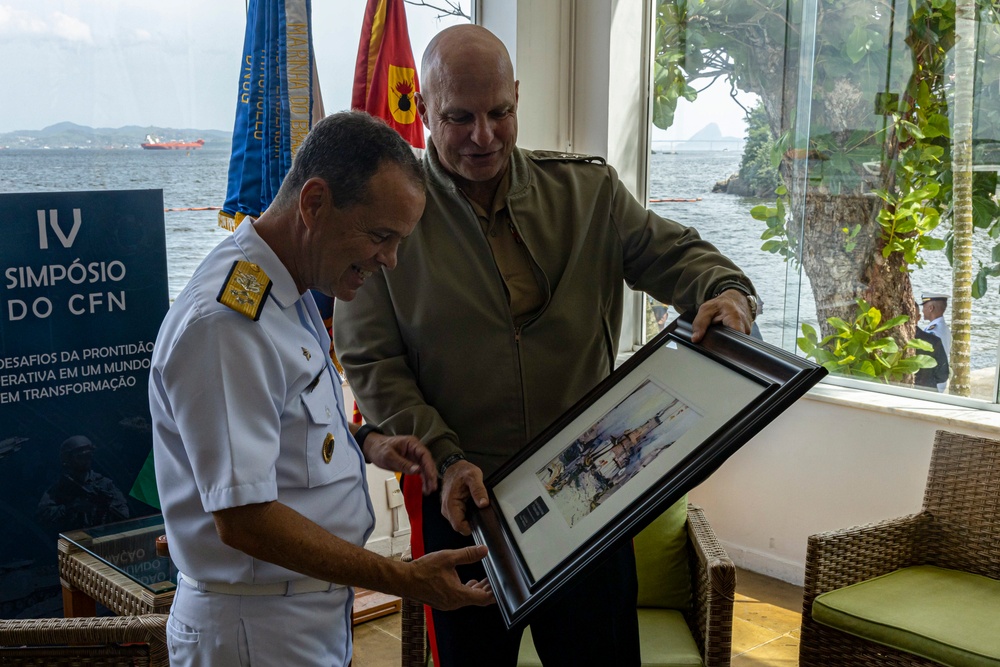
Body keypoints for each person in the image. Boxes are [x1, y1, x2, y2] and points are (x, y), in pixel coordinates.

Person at [333, 25, 758, 667]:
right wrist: (443, 456)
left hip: (590, 498)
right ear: (422, 113)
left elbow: (677, 257)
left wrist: (727, 293)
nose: (485, 136)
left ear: (518, 98)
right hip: (464, 504)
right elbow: (371, 361)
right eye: (459, 117)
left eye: (500, 112)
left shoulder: (588, 195)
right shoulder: (388, 216)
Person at [149, 111, 493, 667]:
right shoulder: (229, 322)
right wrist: (403, 578)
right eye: (381, 236)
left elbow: (282, 425)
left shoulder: (287, 287)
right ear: (314, 204)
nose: (390, 260)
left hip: (300, 615)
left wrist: (366, 442)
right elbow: (243, 520)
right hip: (255, 632)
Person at [37, 435, 129, 532]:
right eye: (80, 457)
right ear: (68, 459)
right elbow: (43, 516)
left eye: (88, 456)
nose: (85, 460)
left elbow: (124, 514)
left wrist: (104, 509)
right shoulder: (61, 487)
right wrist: (72, 508)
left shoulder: (105, 484)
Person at [919, 292, 951, 392]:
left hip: (933, 379)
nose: (922, 311)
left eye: (924, 307)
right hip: (939, 378)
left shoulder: (933, 331)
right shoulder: (942, 328)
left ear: (930, 308)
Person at [913, 327, 949, 391]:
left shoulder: (890, 340)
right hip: (928, 392)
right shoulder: (934, 341)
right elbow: (942, 375)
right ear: (918, 317)